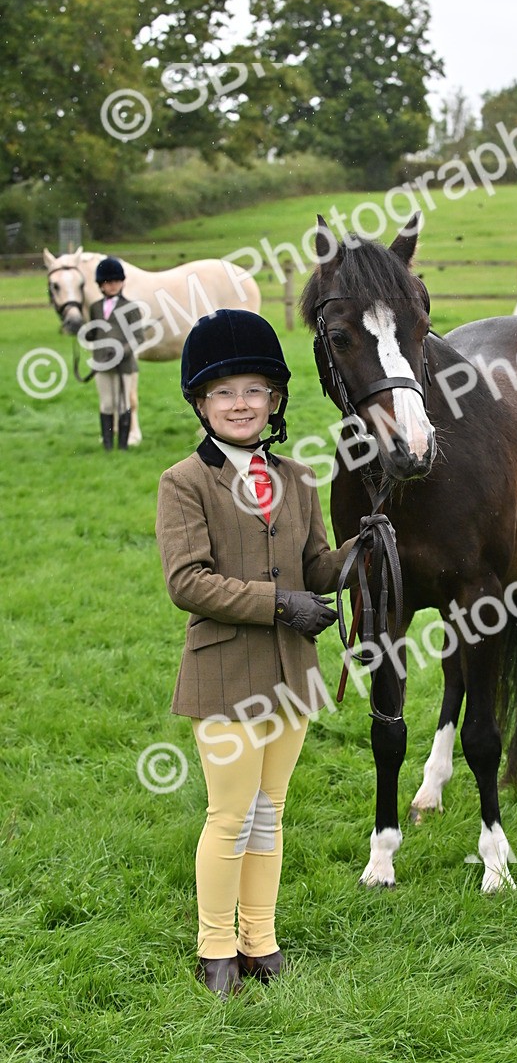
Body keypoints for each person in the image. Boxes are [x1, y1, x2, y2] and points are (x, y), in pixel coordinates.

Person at [155, 309, 357, 1001]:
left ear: (273, 400)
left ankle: (259, 939)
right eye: (223, 393)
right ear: (201, 403)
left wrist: (357, 554)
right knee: (230, 813)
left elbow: (315, 564)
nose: (240, 404)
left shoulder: (298, 478)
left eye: (253, 390)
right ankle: (215, 947)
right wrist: (281, 606)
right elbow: (189, 582)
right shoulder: (184, 481)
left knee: (271, 811)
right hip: (225, 671)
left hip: (292, 673)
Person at [85, 257, 143, 450]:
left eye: (116, 281)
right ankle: (108, 446)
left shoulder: (131, 308)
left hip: (124, 364)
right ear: (101, 285)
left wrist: (121, 352)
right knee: (106, 404)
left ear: (122, 282)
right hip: (102, 363)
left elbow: (138, 337)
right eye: (108, 282)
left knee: (123, 403)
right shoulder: (94, 308)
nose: (113, 285)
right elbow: (94, 333)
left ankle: (123, 446)